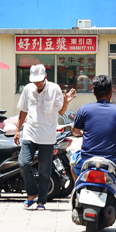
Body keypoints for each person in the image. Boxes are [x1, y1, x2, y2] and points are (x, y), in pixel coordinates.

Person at [14, 64, 76, 210]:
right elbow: (23, 110)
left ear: (45, 77)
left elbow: (60, 112)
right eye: (35, 81)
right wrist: (18, 130)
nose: (37, 84)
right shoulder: (28, 89)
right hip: (30, 132)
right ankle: (32, 193)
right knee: (23, 163)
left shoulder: (54, 89)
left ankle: (41, 201)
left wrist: (66, 102)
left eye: (40, 80)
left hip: (48, 135)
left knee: (44, 169)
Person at [70, 75, 116, 190]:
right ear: (111, 91)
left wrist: (80, 133)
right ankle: (115, 190)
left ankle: (79, 190)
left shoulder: (84, 109)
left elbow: (75, 132)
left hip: (87, 160)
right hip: (114, 162)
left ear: (94, 92)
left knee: (72, 164)